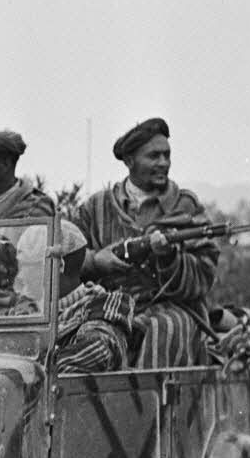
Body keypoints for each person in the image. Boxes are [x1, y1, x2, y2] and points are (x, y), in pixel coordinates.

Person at [75, 117, 218, 369]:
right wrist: (96, 262)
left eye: (167, 155)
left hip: (172, 309)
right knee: (88, 339)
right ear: (130, 161)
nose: (163, 163)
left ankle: (155, 407)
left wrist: (169, 259)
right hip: (108, 306)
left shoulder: (185, 206)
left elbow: (204, 276)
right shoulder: (95, 208)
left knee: (165, 329)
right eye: (154, 156)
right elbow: (66, 255)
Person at [50, 219, 137, 374]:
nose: (20, 275)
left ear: (58, 266)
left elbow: (99, 348)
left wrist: (32, 372)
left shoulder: (100, 308)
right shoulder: (30, 310)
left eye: (29, 266)